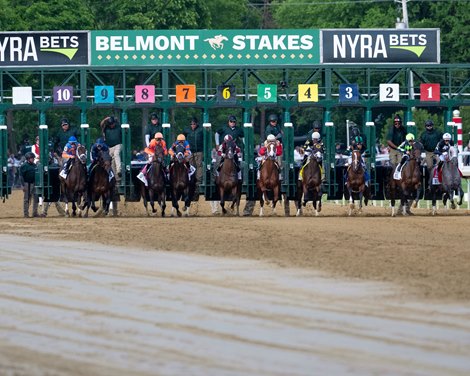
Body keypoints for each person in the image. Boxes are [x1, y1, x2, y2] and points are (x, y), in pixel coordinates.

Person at [183, 117, 203, 199]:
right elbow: (182, 139)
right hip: (190, 152)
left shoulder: (201, 130)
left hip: (199, 151)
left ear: (197, 124)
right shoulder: (186, 130)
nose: (193, 125)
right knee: (190, 167)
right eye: (191, 124)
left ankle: (198, 184)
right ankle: (189, 181)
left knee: (199, 166)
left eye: (194, 124)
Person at [100, 116, 122, 182]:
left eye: (112, 123)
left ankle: (119, 169)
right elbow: (101, 124)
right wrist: (106, 118)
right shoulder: (106, 128)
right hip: (109, 147)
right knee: (112, 162)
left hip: (118, 144)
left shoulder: (118, 126)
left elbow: (119, 121)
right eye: (110, 124)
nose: (111, 125)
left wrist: (115, 119)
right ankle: (117, 178)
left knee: (116, 154)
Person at [19, 152, 39, 218]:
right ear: (28, 159)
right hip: (27, 184)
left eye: (33, 158)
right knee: (26, 199)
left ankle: (35, 213)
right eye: (31, 158)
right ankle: (26, 214)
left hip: (34, 184)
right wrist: (23, 185)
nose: (33, 159)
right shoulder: (24, 166)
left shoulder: (35, 165)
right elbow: (21, 176)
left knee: (36, 199)